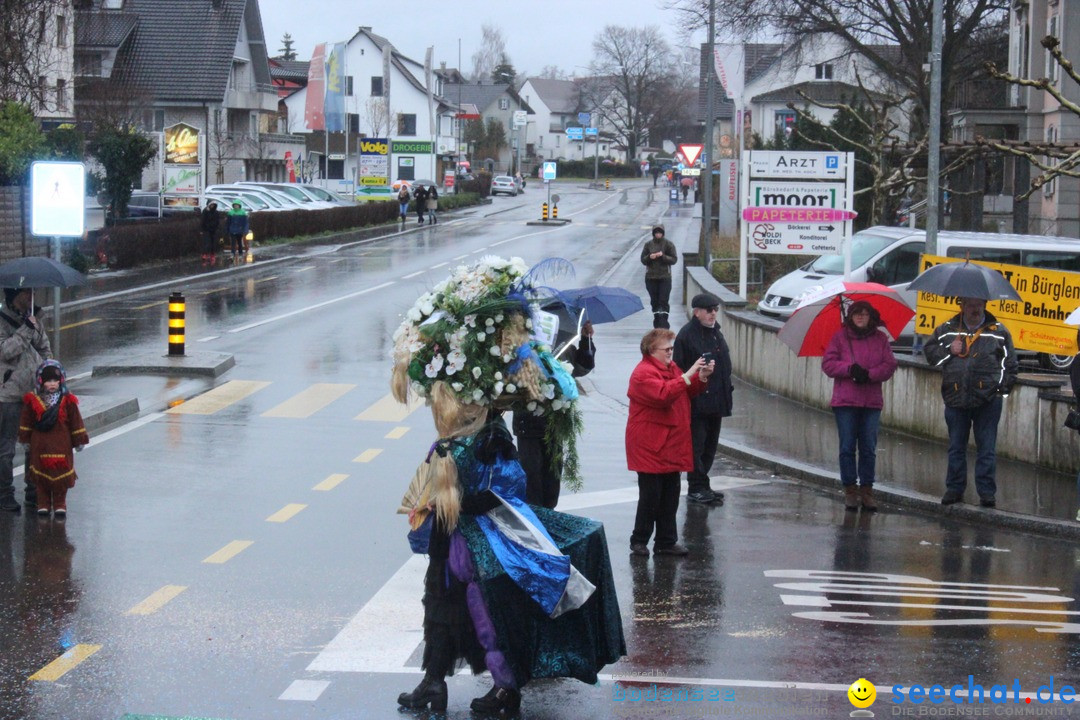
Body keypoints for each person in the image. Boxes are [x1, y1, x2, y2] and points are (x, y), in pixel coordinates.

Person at [391, 257, 625, 715]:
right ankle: (432, 682)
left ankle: (506, 690)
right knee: (439, 610)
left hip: (483, 547)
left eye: (450, 399)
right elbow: (426, 490)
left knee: (486, 616)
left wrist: (459, 500)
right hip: (450, 543)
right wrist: (433, 504)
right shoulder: (449, 442)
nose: (443, 406)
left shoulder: (493, 438)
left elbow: (509, 489)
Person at [626, 328, 713, 557]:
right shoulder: (642, 374)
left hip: (670, 444)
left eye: (671, 348)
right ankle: (639, 540)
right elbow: (663, 395)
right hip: (651, 445)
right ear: (651, 350)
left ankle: (665, 541)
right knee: (650, 497)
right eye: (666, 349)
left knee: (670, 496)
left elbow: (685, 390)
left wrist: (701, 377)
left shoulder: (670, 368)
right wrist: (688, 375)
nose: (670, 353)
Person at [924, 297, 1018, 507]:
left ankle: (986, 493)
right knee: (956, 447)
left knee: (987, 449)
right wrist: (949, 351)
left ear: (984, 305)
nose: (974, 309)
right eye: (969, 304)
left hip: (988, 402)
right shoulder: (947, 329)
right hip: (956, 399)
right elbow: (930, 356)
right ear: (962, 306)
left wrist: (999, 391)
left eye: (978, 305)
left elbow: (1010, 364)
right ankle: (954, 489)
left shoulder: (999, 331)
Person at [820, 301, 898, 512]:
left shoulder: (880, 339)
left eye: (865, 314)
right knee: (847, 447)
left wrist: (870, 375)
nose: (861, 317)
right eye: (857, 314)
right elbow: (828, 364)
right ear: (851, 316)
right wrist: (850, 369)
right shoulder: (840, 337)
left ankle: (867, 489)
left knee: (868, 448)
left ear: (871, 316)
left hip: (870, 402)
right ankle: (850, 490)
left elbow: (889, 365)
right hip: (845, 401)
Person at [513, 320, 595, 508]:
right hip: (528, 425)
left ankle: (549, 517)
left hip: (555, 423)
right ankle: (536, 523)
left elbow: (583, 366)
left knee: (552, 481)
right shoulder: (521, 346)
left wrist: (585, 339)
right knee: (531, 479)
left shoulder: (562, 346)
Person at [673, 292, 734, 506]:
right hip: (697, 401)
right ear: (697, 312)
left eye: (715, 309)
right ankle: (696, 486)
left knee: (710, 445)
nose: (713, 313)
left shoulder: (716, 332)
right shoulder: (687, 335)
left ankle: (703, 484)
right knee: (696, 446)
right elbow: (678, 369)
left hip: (717, 400)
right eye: (709, 310)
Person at [0, 288, 51, 513]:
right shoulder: (2, 320)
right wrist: (25, 330)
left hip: (34, 393)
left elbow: (44, 348)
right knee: (6, 448)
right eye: (26, 293)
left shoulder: (34, 318)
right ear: (14, 296)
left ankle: (33, 490)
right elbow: (4, 351)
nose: (31, 296)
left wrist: (50, 374)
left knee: (34, 443)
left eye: (32, 292)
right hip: (9, 393)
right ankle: (4, 493)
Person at [19, 360, 88, 517]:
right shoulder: (33, 400)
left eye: (55, 380)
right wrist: (25, 440)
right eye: (48, 380)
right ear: (41, 381)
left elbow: (75, 421)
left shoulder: (67, 401)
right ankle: (43, 503)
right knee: (40, 477)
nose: (52, 384)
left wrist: (79, 440)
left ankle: (59, 503)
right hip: (40, 445)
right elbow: (26, 420)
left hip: (61, 445)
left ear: (61, 381)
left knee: (60, 478)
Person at [640, 226, 677, 329]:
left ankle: (664, 322)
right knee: (654, 301)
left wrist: (663, 256)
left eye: (660, 233)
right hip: (651, 278)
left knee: (663, 301)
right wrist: (649, 257)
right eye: (656, 233)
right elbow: (643, 260)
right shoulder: (648, 245)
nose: (658, 235)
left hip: (665, 277)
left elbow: (674, 259)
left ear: (663, 233)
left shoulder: (668, 244)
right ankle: (657, 321)